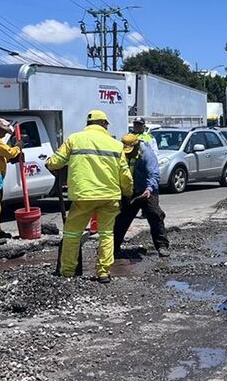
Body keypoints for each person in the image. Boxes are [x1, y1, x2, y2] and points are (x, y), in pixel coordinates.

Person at [47, 109, 133, 283]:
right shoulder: (116, 144)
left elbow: (55, 161)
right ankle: (103, 272)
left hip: (83, 196)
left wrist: (50, 164)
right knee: (106, 233)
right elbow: (125, 174)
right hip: (109, 196)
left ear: (88, 124)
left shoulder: (74, 139)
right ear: (104, 124)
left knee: (72, 234)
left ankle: (68, 271)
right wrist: (127, 192)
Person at [114, 133, 170, 257]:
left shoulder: (146, 154)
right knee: (122, 218)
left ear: (136, 145)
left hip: (147, 190)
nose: (128, 153)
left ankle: (162, 246)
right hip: (130, 191)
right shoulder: (120, 153)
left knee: (154, 214)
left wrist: (149, 189)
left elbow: (153, 174)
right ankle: (113, 247)